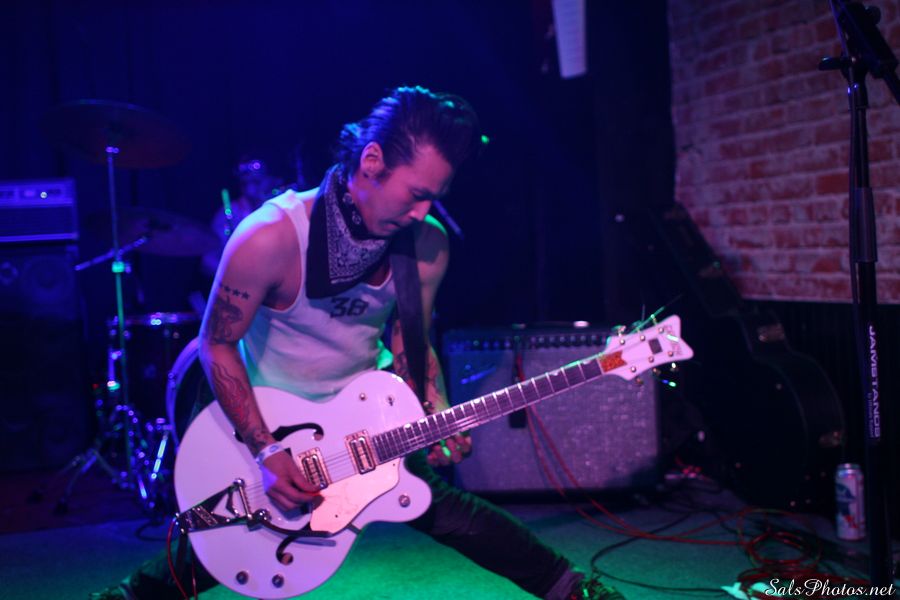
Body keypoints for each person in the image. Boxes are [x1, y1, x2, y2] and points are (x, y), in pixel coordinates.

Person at [90, 86, 624, 600]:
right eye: (416, 194)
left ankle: (569, 588)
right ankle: (131, 595)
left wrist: (435, 410)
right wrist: (266, 450)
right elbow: (217, 344)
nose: (422, 213)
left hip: (362, 416)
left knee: (445, 510)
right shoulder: (270, 235)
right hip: (267, 419)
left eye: (434, 199)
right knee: (228, 540)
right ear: (372, 161)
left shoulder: (427, 246)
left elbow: (410, 337)